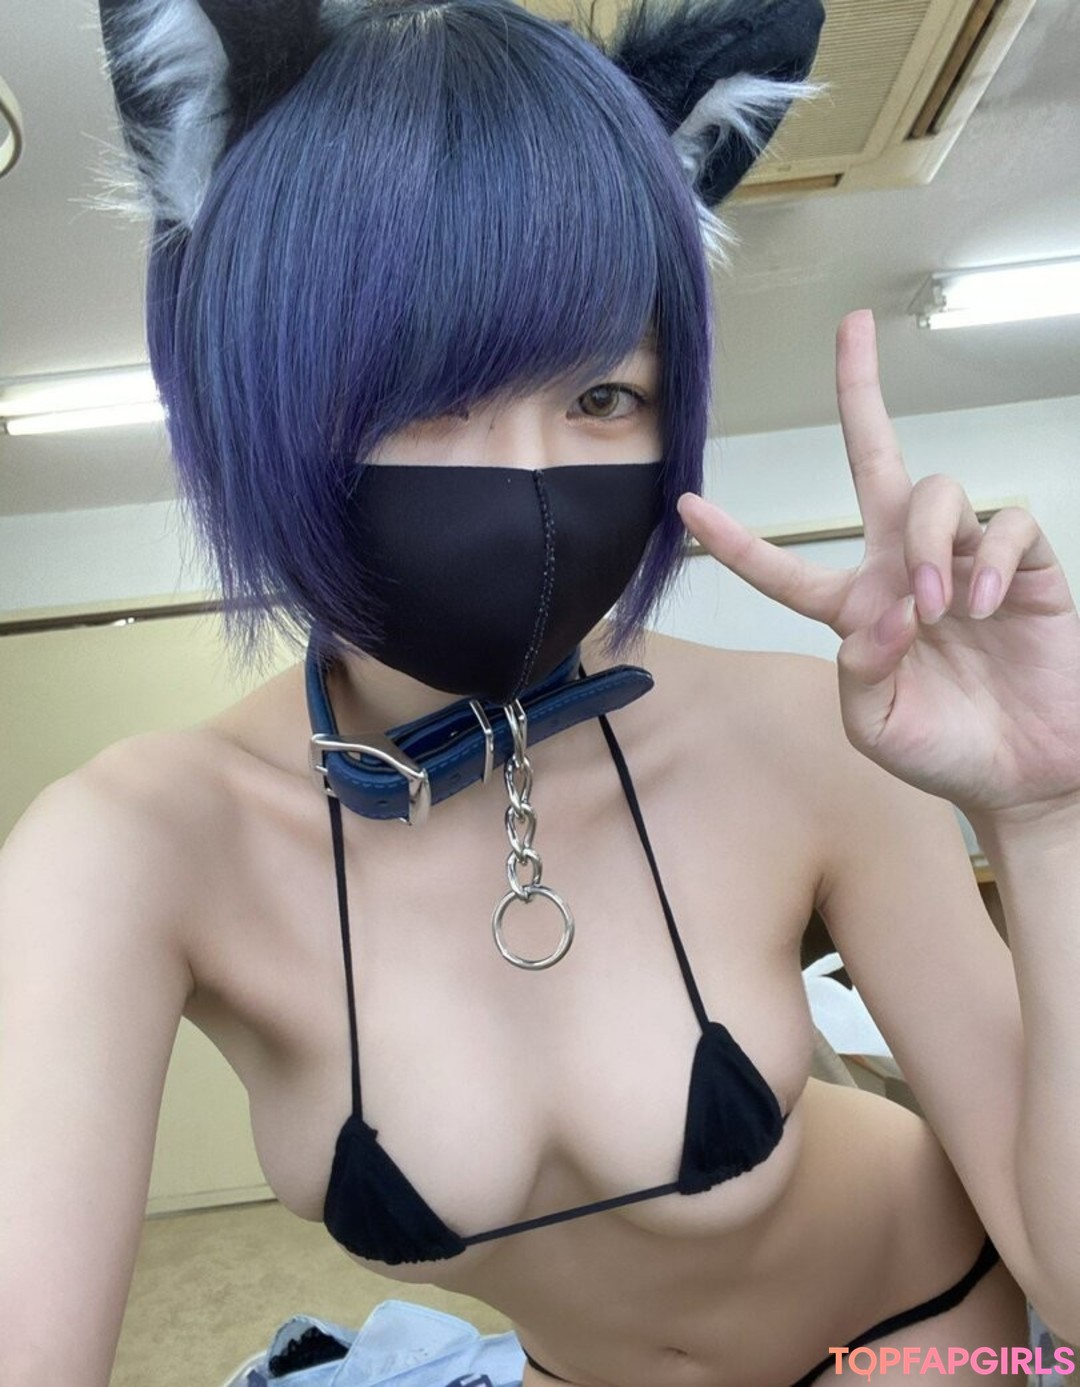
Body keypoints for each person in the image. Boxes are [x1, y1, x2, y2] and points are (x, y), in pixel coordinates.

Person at [2, 0, 1079, 1384]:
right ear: (255, 395)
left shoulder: (808, 737)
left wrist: (1046, 815)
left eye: (603, 398)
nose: (526, 479)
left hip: (920, 1339)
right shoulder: (138, 847)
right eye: (424, 393)